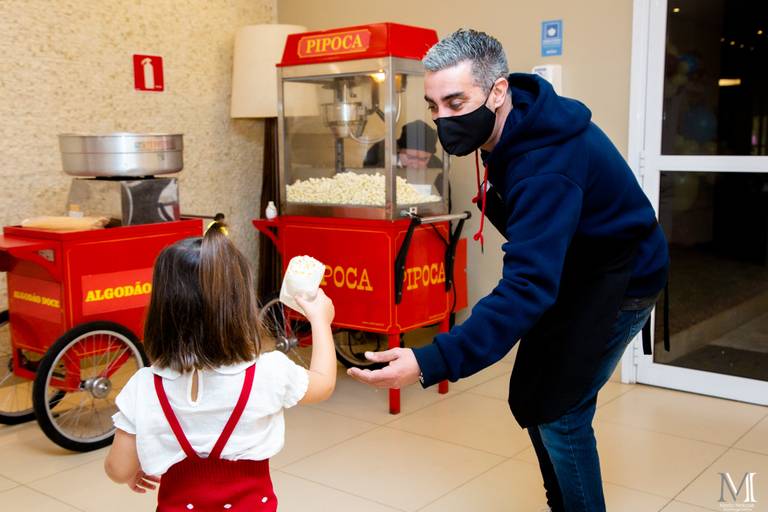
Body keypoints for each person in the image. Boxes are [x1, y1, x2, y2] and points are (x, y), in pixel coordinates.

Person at [348, 29, 669, 512]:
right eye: (433, 106)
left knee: (561, 410)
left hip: (620, 276)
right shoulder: (511, 123)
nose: (442, 119)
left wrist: (432, 360)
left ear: (498, 91)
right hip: (571, 266)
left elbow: (527, 285)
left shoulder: (546, 164)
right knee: (534, 393)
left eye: (456, 102)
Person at [104, 222, 336, 511]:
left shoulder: (144, 385)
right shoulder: (269, 372)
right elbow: (323, 383)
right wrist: (319, 321)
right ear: (239, 305)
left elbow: (119, 469)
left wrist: (135, 469)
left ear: (162, 310)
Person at [362, 119, 443, 169]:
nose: (415, 165)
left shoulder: (436, 166)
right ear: (399, 149)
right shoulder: (377, 155)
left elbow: (443, 195)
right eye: (410, 157)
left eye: (423, 159)